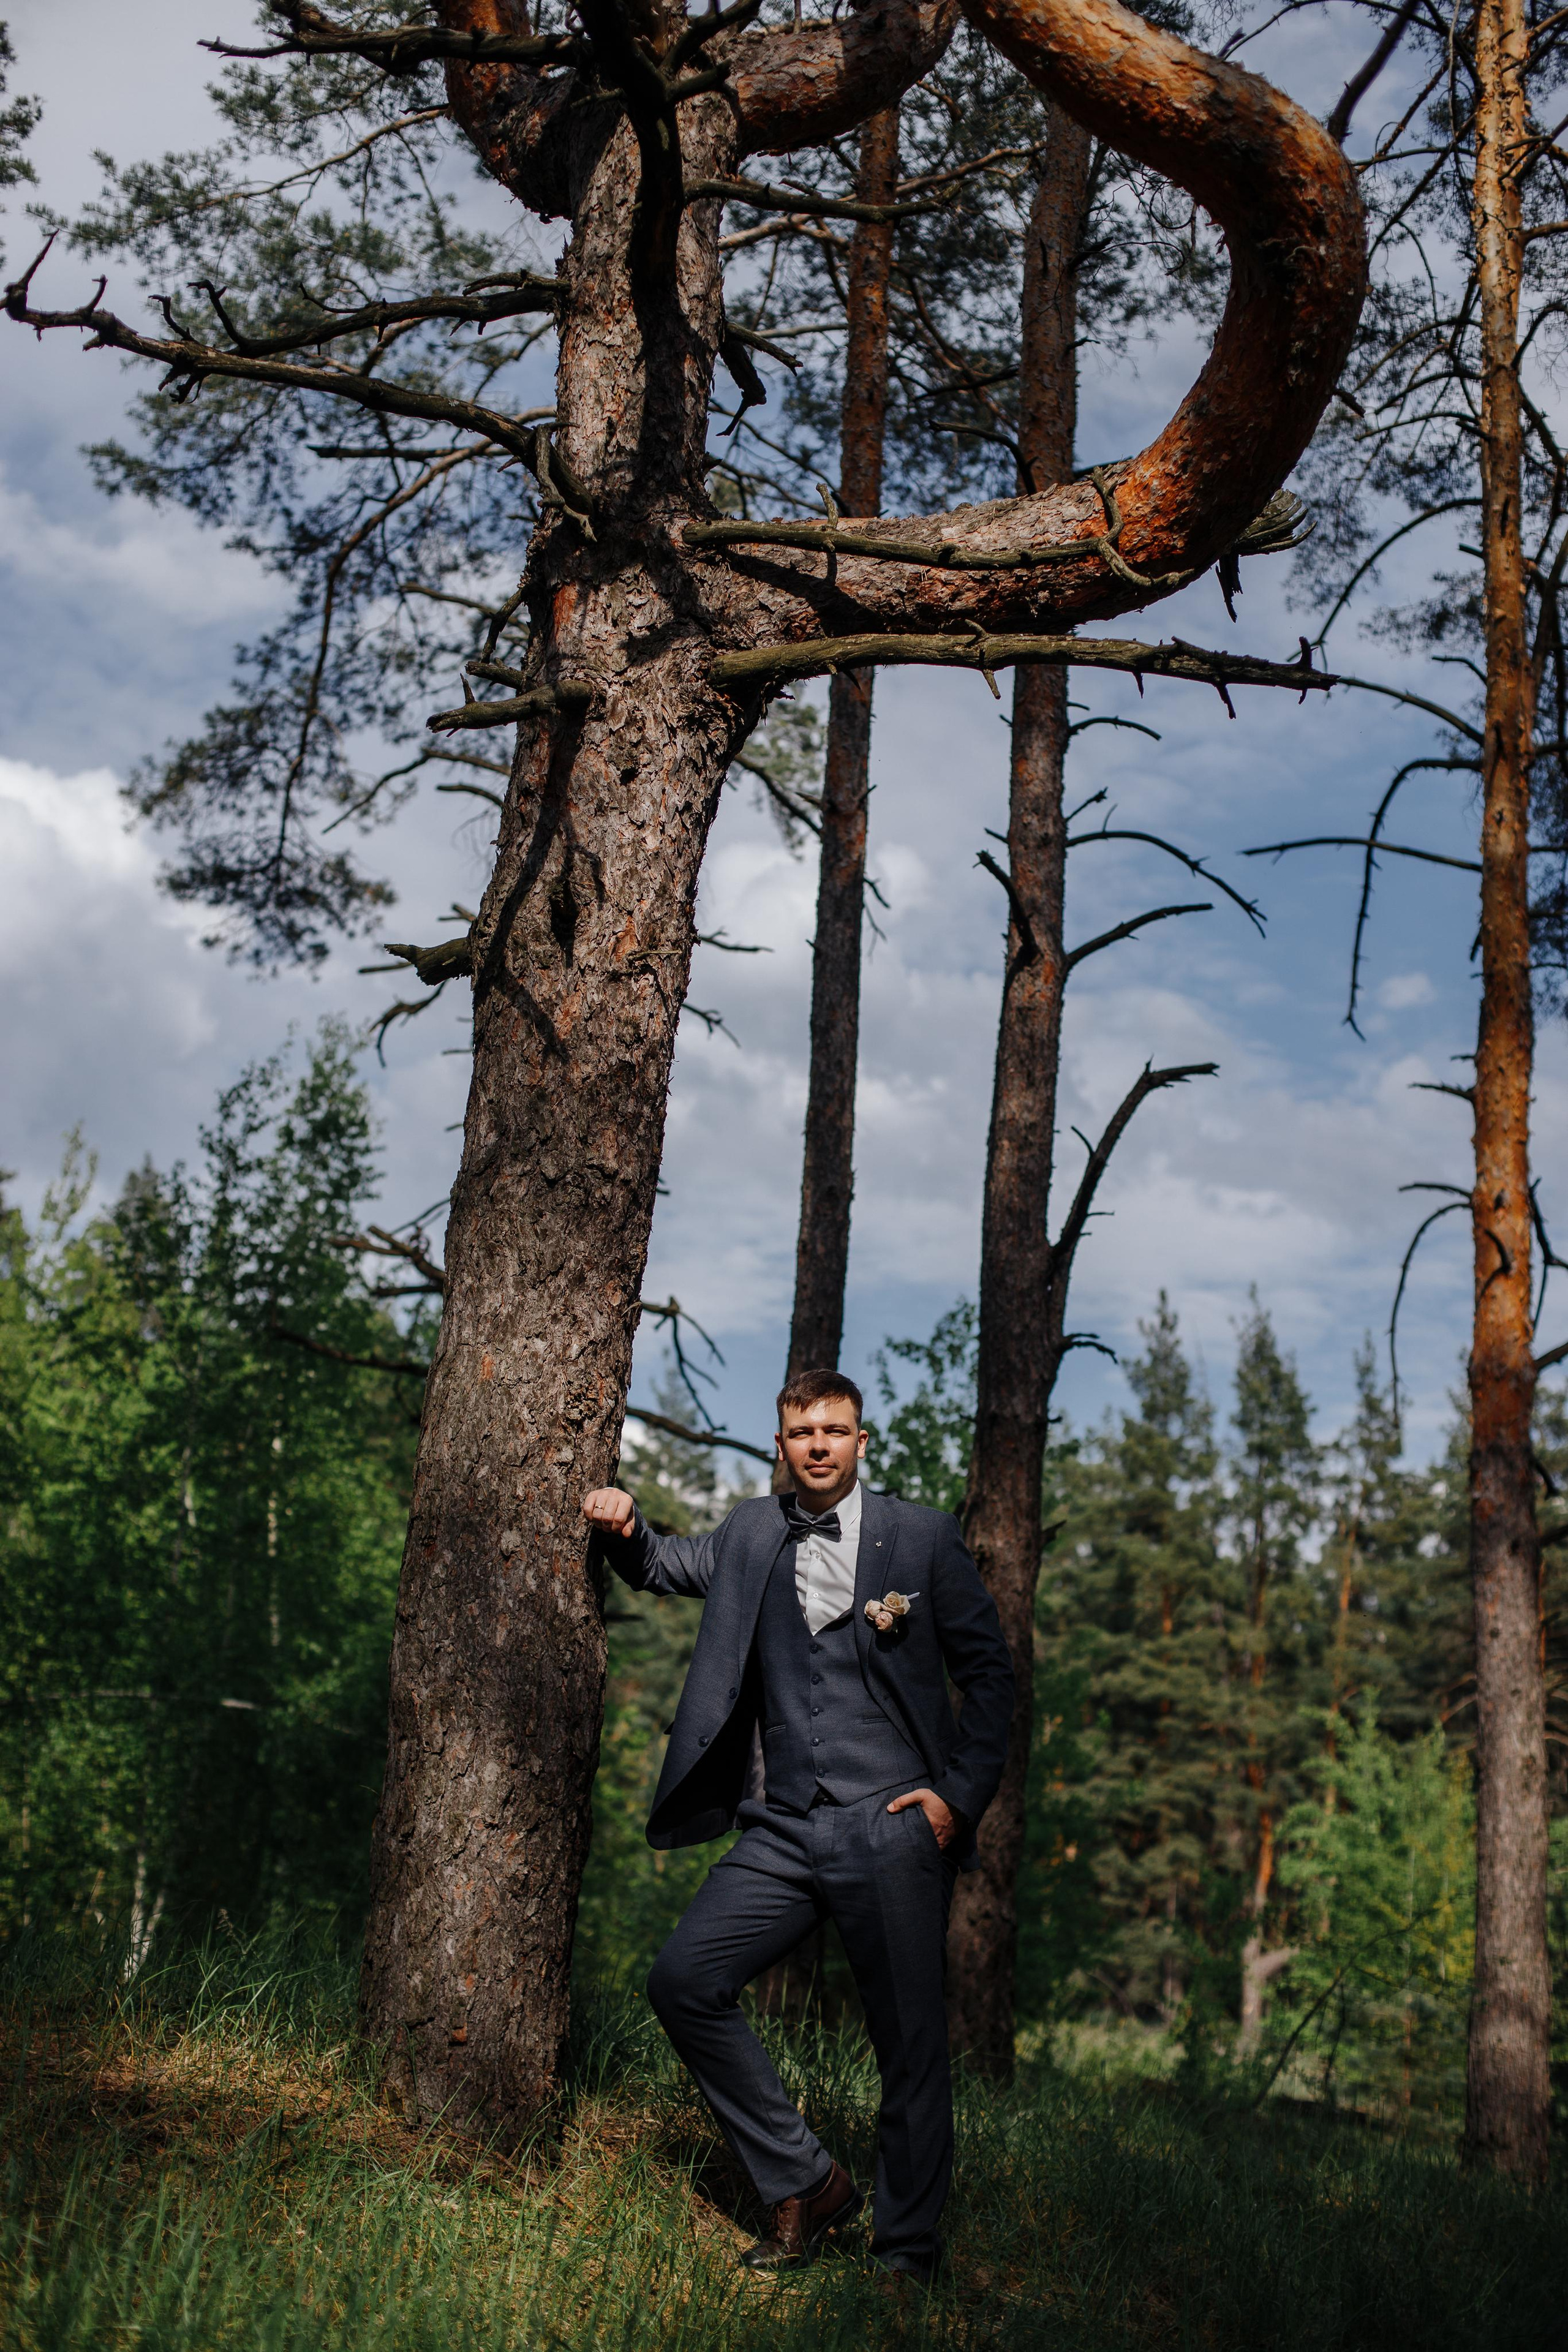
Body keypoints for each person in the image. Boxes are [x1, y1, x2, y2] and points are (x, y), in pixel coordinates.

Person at [581, 1368, 1014, 2286]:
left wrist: (956, 1799)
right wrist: (623, 1521)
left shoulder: (923, 1537)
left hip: (893, 1823)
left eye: (835, 1430)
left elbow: (991, 1676)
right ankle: (806, 2181)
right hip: (781, 1827)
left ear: (861, 1441)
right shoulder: (749, 1531)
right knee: (684, 1981)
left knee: (909, 2046)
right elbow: (660, 1565)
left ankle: (905, 2256)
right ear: (780, 1445)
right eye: (802, 1432)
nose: (819, 1445)